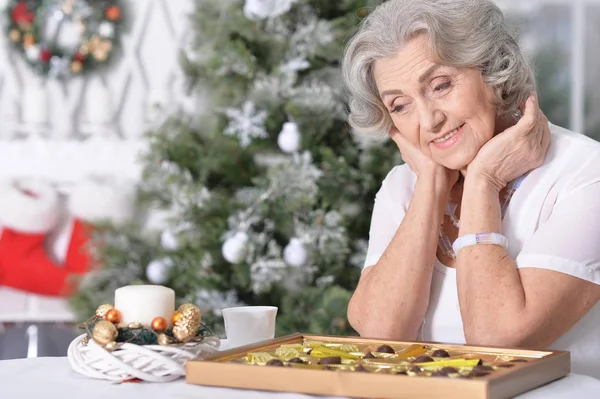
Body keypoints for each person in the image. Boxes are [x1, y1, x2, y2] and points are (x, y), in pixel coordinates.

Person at [342, 0, 600, 378]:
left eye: (441, 85)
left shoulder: (585, 173)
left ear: (493, 70)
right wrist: (430, 184)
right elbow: (381, 335)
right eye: (400, 106)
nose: (428, 121)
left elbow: (499, 342)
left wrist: (483, 180)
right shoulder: (404, 186)